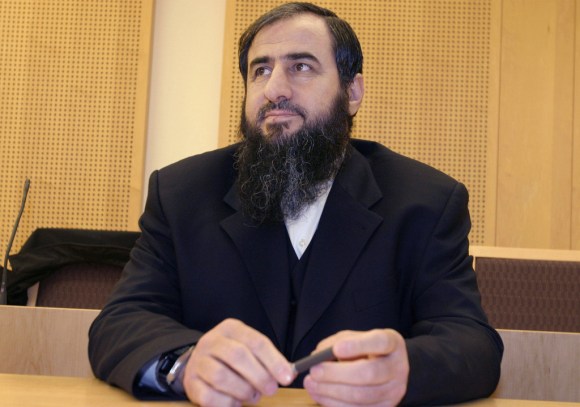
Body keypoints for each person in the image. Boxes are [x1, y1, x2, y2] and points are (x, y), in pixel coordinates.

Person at [88, 2, 503, 406]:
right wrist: (184, 364)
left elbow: (472, 344)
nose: (274, 90)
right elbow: (120, 322)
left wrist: (405, 370)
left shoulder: (426, 202)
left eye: (301, 66)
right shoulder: (182, 194)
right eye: (261, 70)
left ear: (352, 92)